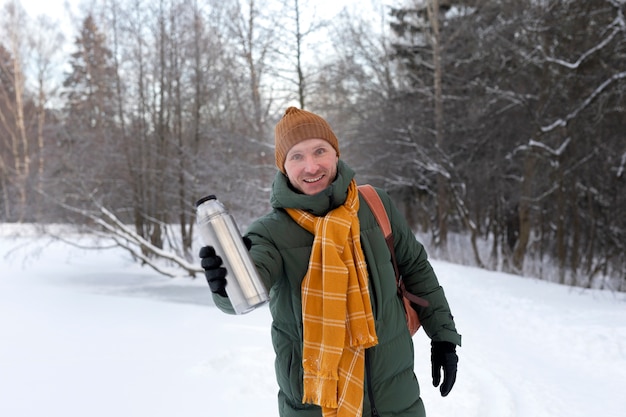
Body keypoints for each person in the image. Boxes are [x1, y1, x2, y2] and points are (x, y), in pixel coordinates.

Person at [199, 107, 461, 417]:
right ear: (283, 167)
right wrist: (225, 283)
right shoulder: (270, 232)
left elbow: (416, 268)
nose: (311, 166)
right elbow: (244, 292)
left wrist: (443, 336)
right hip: (317, 406)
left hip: (396, 397)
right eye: (296, 156)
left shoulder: (375, 205)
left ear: (335, 154)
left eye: (319, 151)